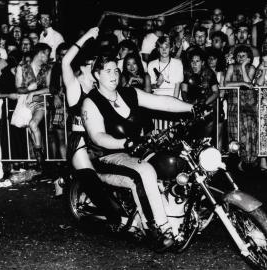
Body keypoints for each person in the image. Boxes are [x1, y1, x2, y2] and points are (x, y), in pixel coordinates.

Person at [81, 44, 195, 252]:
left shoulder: (129, 93)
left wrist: (192, 107)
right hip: (108, 156)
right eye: (107, 70)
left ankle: (179, 215)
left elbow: (163, 102)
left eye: (116, 69)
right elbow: (97, 136)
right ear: (97, 74)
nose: (114, 74)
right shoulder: (91, 102)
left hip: (135, 151)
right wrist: (123, 143)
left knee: (173, 160)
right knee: (143, 172)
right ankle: (158, 230)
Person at [62, 27, 121, 231]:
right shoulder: (73, 85)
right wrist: (86, 35)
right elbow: (65, 62)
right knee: (94, 183)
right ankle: (112, 219)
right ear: (88, 65)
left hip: (96, 139)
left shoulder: (97, 87)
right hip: (80, 141)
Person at [15, 43, 52, 172]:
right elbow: (18, 89)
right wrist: (28, 89)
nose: (48, 56)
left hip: (40, 103)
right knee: (31, 131)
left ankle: (40, 159)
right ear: (40, 53)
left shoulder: (47, 69)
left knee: (33, 125)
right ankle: (38, 161)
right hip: (25, 104)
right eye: (47, 53)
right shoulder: (22, 68)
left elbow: (49, 88)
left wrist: (34, 92)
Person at [224, 45, 257, 171]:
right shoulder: (231, 67)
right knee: (235, 133)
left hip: (248, 105)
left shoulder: (251, 68)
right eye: (238, 56)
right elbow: (226, 83)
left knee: (249, 130)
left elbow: (248, 83)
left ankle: (248, 160)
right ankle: (235, 161)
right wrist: (241, 83)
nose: (241, 58)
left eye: (244, 56)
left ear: (249, 58)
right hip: (234, 104)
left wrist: (243, 68)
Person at [181, 48, 220, 140]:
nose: (194, 64)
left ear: (202, 63)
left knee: (205, 138)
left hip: (207, 108)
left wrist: (204, 104)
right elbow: (184, 91)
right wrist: (189, 104)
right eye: (192, 61)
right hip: (191, 108)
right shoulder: (187, 73)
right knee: (190, 137)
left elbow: (216, 92)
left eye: (197, 61)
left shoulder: (209, 73)